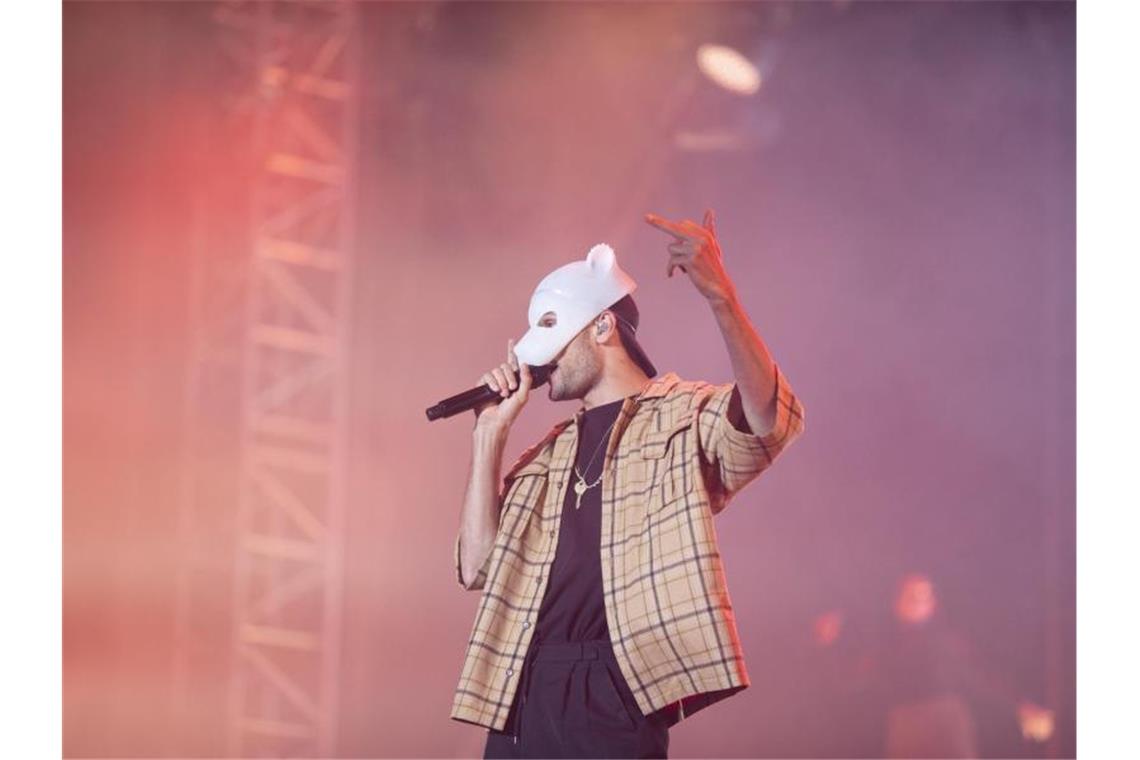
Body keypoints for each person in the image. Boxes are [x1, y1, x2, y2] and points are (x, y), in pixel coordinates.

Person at [450, 210, 807, 758]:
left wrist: (722, 299)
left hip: (611, 689)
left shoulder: (681, 414)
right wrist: (488, 438)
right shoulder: (545, 457)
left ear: (601, 325)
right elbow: (477, 568)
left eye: (552, 331)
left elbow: (767, 418)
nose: (541, 358)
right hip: (522, 688)